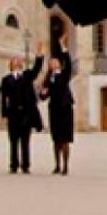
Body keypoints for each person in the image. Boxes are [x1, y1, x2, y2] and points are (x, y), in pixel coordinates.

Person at [1, 43, 45, 174]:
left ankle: (26, 165)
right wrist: (4, 114)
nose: (17, 62)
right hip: (13, 113)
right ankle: (13, 165)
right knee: (13, 140)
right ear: (11, 65)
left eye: (19, 61)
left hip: (26, 113)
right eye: (14, 61)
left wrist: (39, 55)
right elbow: (3, 97)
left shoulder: (27, 75)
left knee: (25, 140)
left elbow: (36, 69)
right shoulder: (6, 79)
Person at [39, 33, 75, 175]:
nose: (53, 63)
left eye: (55, 61)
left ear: (59, 64)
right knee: (56, 139)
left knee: (65, 139)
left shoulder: (64, 74)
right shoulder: (48, 78)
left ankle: (66, 165)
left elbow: (69, 62)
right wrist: (42, 93)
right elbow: (44, 96)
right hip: (54, 109)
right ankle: (57, 165)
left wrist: (63, 46)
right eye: (51, 62)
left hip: (65, 109)